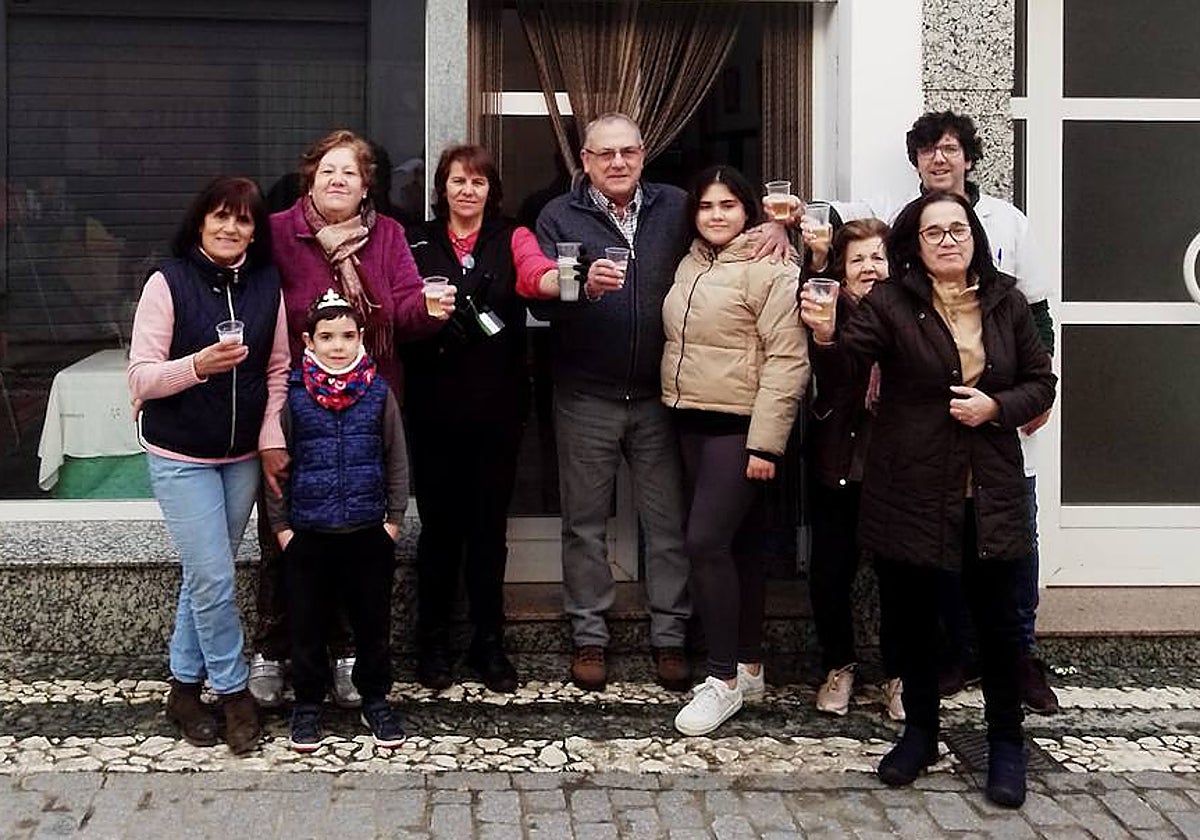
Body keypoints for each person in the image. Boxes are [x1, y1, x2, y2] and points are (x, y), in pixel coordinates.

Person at [797, 111, 1059, 712]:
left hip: (996, 424)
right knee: (930, 552)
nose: (939, 160)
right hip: (921, 438)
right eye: (928, 151)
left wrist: (1028, 393)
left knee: (1009, 549)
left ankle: (1015, 661)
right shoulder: (895, 238)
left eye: (950, 150)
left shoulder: (1008, 234)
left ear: (969, 158)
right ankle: (945, 661)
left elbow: (1038, 317)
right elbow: (829, 224)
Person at [533, 113, 791, 692]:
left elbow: (732, 226)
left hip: (659, 398)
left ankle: (671, 637)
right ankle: (590, 637)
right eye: (605, 154)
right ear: (585, 159)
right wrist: (575, 290)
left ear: (644, 154)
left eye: (628, 151)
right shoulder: (558, 215)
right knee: (583, 524)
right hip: (585, 393)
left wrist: (778, 227)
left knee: (669, 524)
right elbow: (541, 300)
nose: (617, 163)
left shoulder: (676, 207)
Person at [249, 129, 452, 709]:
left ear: (368, 186)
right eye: (328, 170)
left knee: (352, 537)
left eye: (351, 172)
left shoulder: (386, 234)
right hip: (296, 404)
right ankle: (273, 647)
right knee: (285, 536)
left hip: (367, 404)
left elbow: (407, 306)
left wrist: (429, 312)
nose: (338, 180)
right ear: (310, 177)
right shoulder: (280, 232)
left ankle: (342, 656)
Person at [128, 176, 290, 754]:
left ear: (255, 230)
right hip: (180, 455)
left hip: (241, 455)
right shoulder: (167, 282)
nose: (230, 228)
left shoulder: (267, 284)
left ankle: (182, 688)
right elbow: (141, 376)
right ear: (199, 222)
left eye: (243, 220)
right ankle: (233, 691)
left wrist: (271, 435)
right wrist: (197, 365)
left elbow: (278, 371)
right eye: (220, 217)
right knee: (217, 578)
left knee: (205, 576)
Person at [403, 144, 558, 693]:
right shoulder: (413, 240)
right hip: (432, 408)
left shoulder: (512, 236)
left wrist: (562, 281)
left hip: (496, 407)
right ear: (441, 187)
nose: (467, 191)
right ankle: (433, 641)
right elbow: (397, 303)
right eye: (457, 181)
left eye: (478, 182)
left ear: (492, 191)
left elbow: (537, 275)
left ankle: (488, 643)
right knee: (440, 531)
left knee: (490, 531)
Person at [660, 166, 808, 735]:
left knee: (704, 543)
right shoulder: (691, 262)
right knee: (739, 547)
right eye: (705, 206)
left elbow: (787, 360)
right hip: (690, 419)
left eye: (727, 205)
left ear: (749, 211)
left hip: (740, 426)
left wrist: (767, 443)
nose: (716, 215)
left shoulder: (773, 266)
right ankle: (748, 665)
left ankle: (719, 681)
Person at [263, 289, 408, 752]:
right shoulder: (294, 394)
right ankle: (308, 703)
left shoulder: (377, 392)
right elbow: (276, 467)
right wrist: (283, 528)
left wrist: (394, 520)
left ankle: (375, 699)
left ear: (361, 338)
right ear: (308, 342)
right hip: (309, 533)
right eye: (327, 337)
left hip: (367, 530)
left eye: (347, 335)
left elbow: (396, 458)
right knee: (307, 625)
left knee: (372, 625)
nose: (338, 346)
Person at [801, 218, 905, 721]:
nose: (870, 268)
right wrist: (825, 338)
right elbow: (833, 378)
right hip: (838, 458)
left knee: (901, 577)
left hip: (898, 464)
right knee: (830, 572)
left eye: (878, 257)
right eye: (859, 259)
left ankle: (899, 675)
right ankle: (838, 666)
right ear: (842, 269)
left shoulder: (913, 311)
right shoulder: (828, 311)